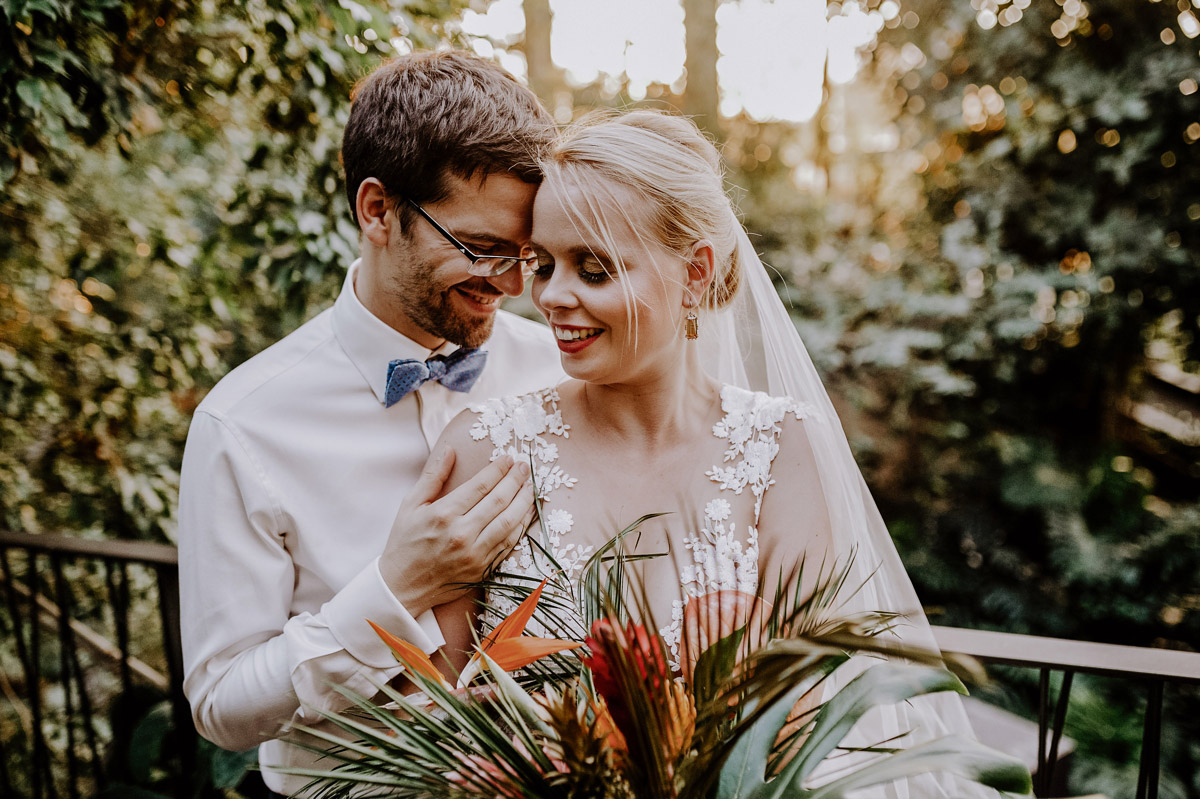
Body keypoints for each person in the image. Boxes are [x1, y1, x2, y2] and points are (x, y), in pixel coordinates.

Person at [429, 109, 993, 797]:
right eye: (543, 264)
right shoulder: (484, 446)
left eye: (594, 268)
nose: (552, 295)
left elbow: (794, 721)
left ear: (695, 273)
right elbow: (441, 714)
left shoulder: (781, 448)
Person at [177, 50, 565, 797]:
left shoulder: (564, 370)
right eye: (481, 250)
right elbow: (222, 706)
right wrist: (394, 586)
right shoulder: (243, 424)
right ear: (377, 210)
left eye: (526, 255)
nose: (515, 286)